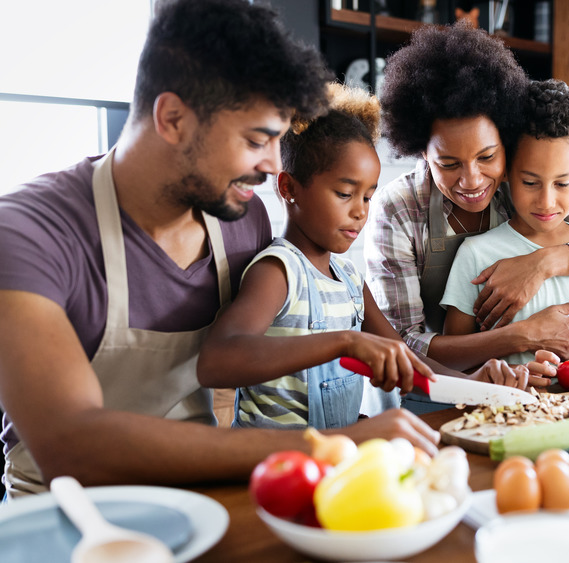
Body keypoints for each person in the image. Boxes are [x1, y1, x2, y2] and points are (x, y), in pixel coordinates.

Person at [0, 0, 429, 499]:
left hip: (204, 499)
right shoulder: (27, 233)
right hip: (65, 519)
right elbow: (72, 447)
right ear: (173, 118)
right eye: (256, 140)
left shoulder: (242, 220)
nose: (272, 166)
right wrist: (330, 445)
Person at [197, 84, 530, 430]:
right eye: (345, 193)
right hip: (272, 465)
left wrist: (474, 383)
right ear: (289, 188)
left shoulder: (350, 279)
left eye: (368, 197)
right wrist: (345, 341)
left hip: (332, 461)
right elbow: (216, 362)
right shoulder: (279, 271)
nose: (360, 212)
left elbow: (406, 358)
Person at [368, 23, 569, 390]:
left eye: (487, 156)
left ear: (505, 150)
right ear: (421, 152)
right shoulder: (398, 209)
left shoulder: (526, 187)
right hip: (421, 392)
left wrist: (542, 264)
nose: (473, 180)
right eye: (448, 164)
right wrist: (523, 336)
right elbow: (402, 344)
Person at [441, 79, 569, 385]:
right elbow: (452, 358)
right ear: (506, 169)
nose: (547, 201)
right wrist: (500, 374)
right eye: (530, 182)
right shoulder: (476, 253)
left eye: (562, 183)